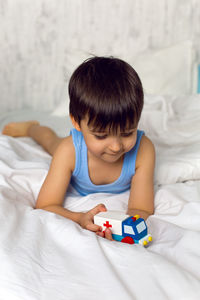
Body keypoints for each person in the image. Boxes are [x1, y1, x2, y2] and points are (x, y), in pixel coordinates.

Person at [2, 56, 155, 241]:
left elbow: (141, 209)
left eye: (127, 133)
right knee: (51, 141)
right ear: (76, 122)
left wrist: (123, 230)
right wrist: (79, 218)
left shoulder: (143, 150)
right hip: (73, 150)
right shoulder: (69, 151)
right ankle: (31, 128)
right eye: (101, 135)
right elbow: (46, 205)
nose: (116, 147)